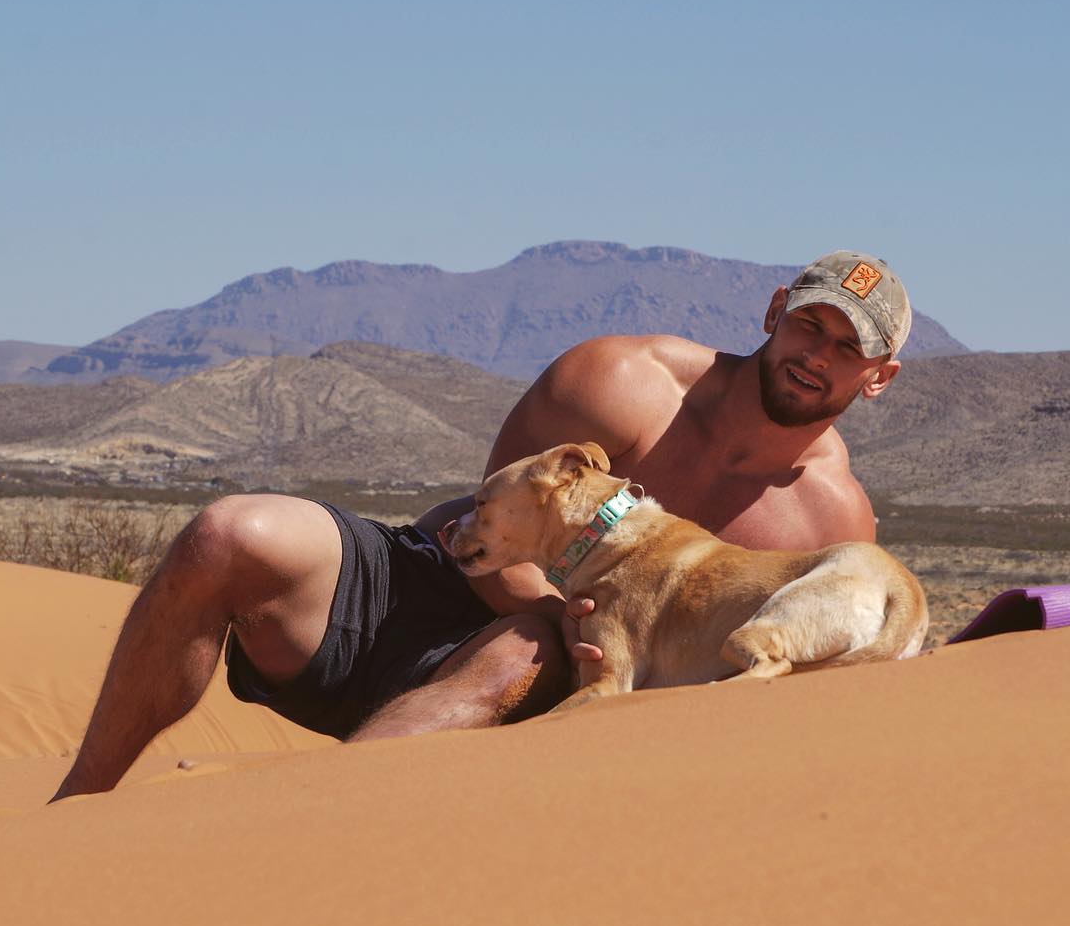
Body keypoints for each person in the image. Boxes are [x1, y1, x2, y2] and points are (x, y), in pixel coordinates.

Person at [50, 250, 911, 800]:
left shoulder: (832, 518)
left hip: (544, 672)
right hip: (425, 578)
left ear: (879, 378)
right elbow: (483, 524)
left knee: (522, 647)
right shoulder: (624, 381)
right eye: (810, 324)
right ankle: (80, 805)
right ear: (773, 313)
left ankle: (306, 823)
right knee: (228, 533)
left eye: (848, 349)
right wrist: (551, 603)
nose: (816, 354)